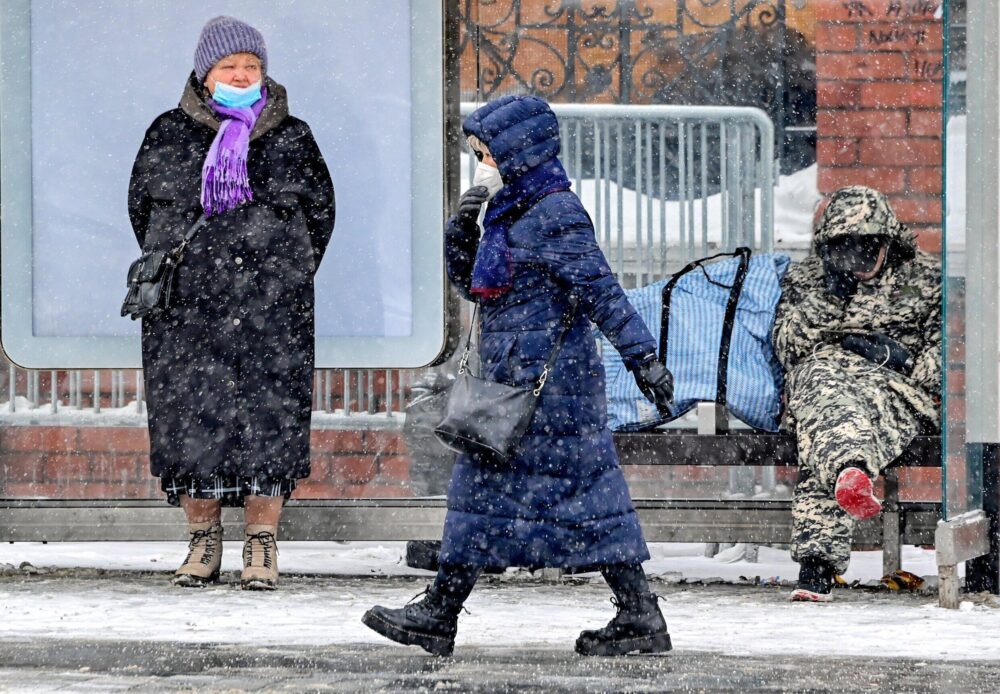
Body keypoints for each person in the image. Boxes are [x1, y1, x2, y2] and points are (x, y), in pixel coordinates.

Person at [362, 95, 675, 656]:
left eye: (486, 152)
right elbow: (482, 289)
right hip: (513, 383)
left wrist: (641, 356)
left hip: (550, 391)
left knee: (506, 493)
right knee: (575, 498)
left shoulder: (554, 212)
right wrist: (463, 228)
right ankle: (637, 615)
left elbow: (600, 289)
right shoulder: (511, 209)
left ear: (518, 150)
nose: (481, 162)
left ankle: (442, 611)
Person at [127, 16, 335, 590]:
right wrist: (197, 271)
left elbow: (320, 218)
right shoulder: (168, 133)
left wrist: (278, 274)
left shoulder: (293, 136)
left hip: (273, 310)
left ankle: (262, 545)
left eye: (252, 66)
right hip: (187, 313)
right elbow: (144, 213)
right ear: (205, 73)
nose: (242, 74)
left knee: (270, 419)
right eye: (229, 65)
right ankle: (203, 541)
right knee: (190, 418)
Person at [772, 186, 940, 602]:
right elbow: (789, 346)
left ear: (886, 242)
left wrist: (895, 359)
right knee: (823, 387)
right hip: (820, 381)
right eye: (843, 248)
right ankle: (850, 472)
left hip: (892, 391)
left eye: (865, 248)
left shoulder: (925, 278)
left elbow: (944, 357)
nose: (856, 259)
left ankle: (816, 568)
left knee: (824, 439)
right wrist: (833, 294)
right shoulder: (811, 278)